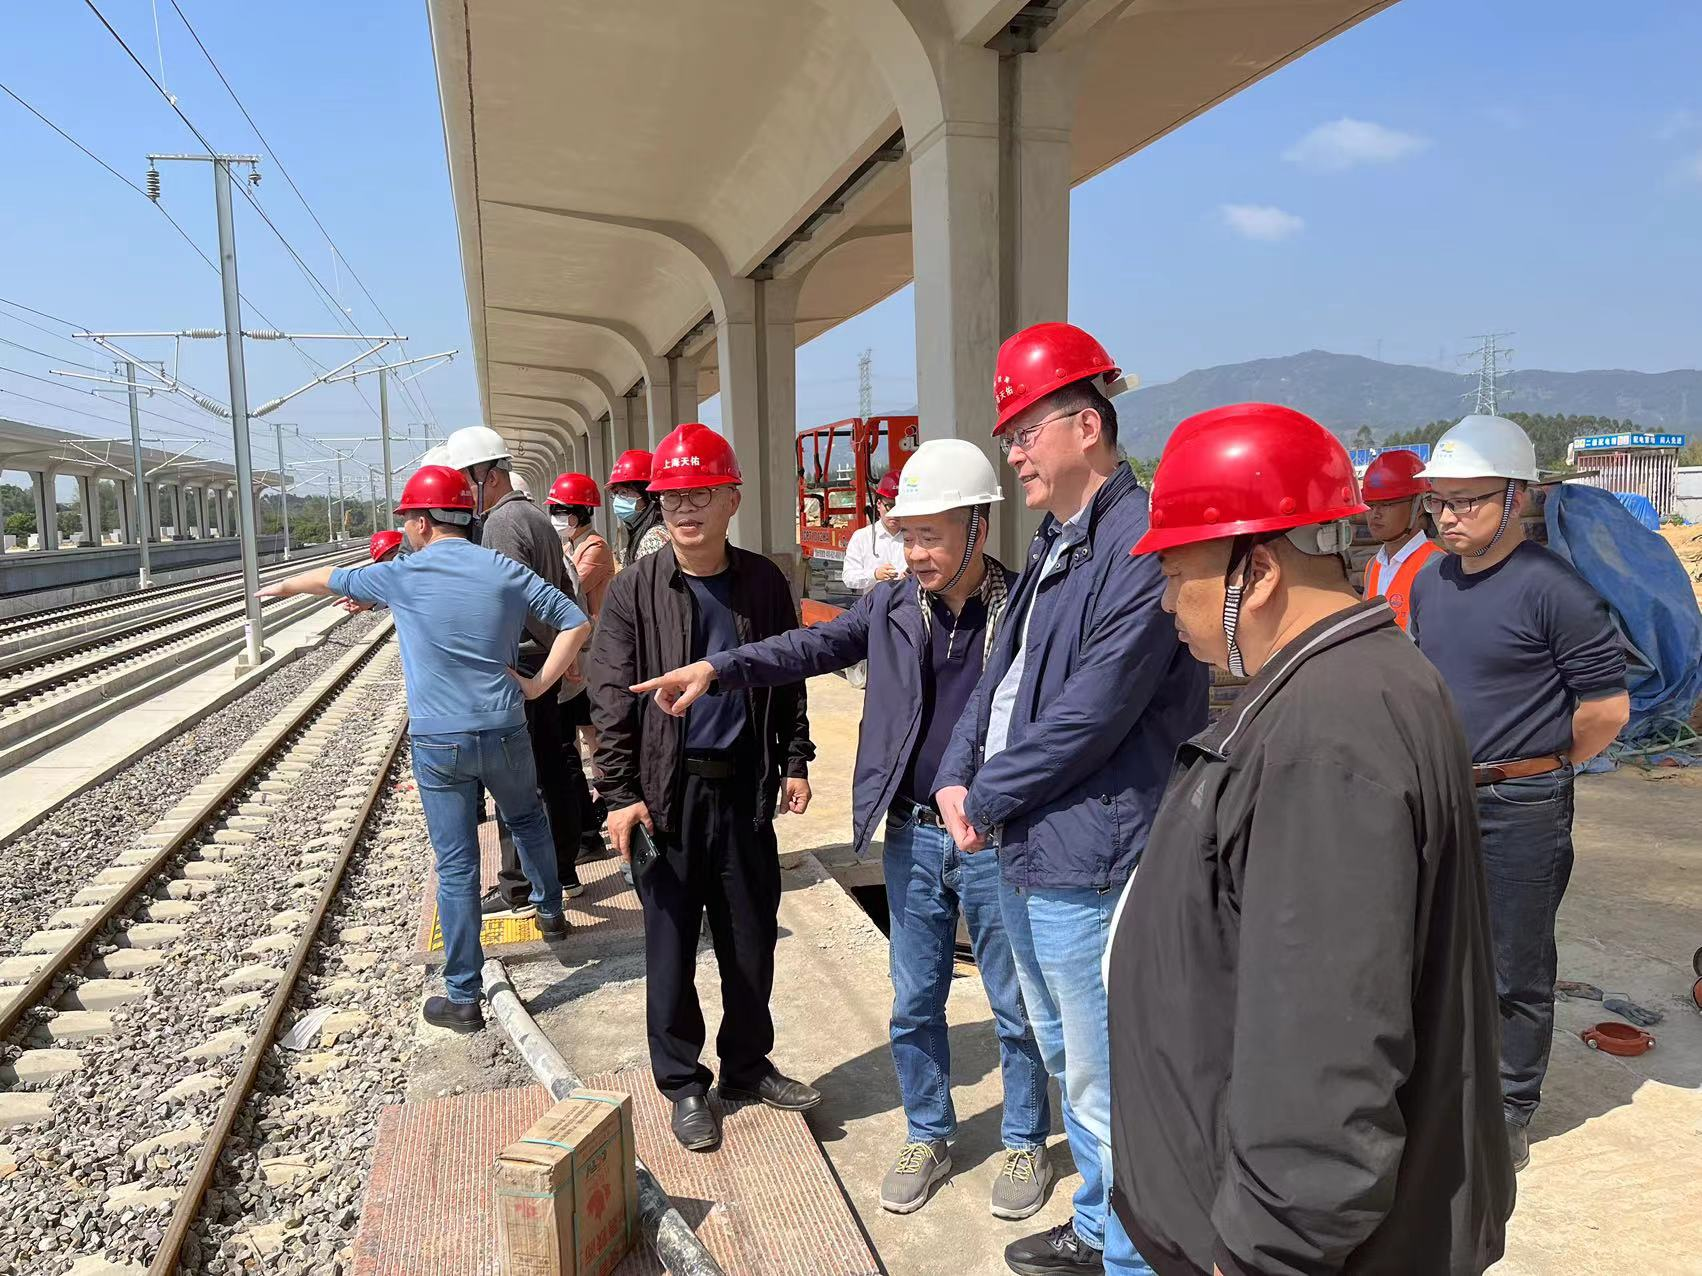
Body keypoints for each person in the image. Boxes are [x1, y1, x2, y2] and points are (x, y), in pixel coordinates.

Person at [1106, 403, 1514, 1276]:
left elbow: (1327, 1050)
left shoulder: (1327, 734)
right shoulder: (1348, 683)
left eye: (1174, 575)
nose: (1167, 605)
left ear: (1254, 572)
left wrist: (1268, 1250)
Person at [632, 438, 1052, 1219]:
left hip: (998, 839)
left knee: (1014, 1000)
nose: (916, 553)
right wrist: (720, 669)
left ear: (979, 527)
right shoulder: (892, 607)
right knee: (914, 999)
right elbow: (810, 647)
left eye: (931, 536)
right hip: (913, 833)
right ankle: (928, 1133)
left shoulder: (1027, 611)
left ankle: (1026, 1140)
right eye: (906, 536)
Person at [933, 322, 1208, 1276]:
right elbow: (999, 681)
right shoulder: (1058, 540)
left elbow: (1093, 712)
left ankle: (1133, 1256)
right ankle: (1098, 1228)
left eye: (1023, 434)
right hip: (1031, 843)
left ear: (1086, 426)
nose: (1013, 455)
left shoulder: (1138, 545)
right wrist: (957, 771)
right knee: (1063, 1053)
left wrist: (983, 796)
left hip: (1092, 854)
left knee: (1104, 1075)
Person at [259, 465, 590, 1032]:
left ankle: (462, 997)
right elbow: (575, 620)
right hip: (504, 726)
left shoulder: (400, 575)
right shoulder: (503, 568)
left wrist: (284, 586)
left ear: (420, 522)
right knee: (527, 818)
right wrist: (538, 685)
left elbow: (331, 580)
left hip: (440, 740)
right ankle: (551, 910)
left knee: (457, 864)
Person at [588, 423, 818, 1153]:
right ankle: (684, 1084)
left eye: (701, 494)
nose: (685, 510)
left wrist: (795, 758)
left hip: (744, 790)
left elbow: (789, 673)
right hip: (667, 796)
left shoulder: (763, 583)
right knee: (671, 947)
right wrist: (619, 793)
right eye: (673, 498)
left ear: (732, 499)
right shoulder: (635, 589)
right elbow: (610, 695)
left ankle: (746, 1068)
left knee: (751, 940)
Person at [1410, 413, 1630, 1171]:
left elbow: (1607, 709)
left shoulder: (1555, 590)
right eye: (1438, 501)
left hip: (1523, 806)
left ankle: (1508, 1106)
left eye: (1467, 500)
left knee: (1515, 963)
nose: (1448, 516)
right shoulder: (1431, 582)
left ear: (1518, 497)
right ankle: (1449, 1086)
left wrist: (1544, 764)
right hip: (1446, 793)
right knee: (1439, 949)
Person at [445, 425, 588, 910]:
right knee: (552, 764)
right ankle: (563, 868)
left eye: (465, 478)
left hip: (520, 662)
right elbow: (561, 590)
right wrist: (565, 654)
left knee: (515, 779)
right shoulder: (534, 516)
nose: (462, 490)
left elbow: (505, 599)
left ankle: (520, 885)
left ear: (488, 474)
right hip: (543, 656)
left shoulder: (501, 524)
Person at [548, 471, 617, 862]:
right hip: (583, 646)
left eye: (560, 512)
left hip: (592, 648)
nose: (556, 518)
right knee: (584, 729)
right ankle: (598, 794)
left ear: (575, 514)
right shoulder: (573, 545)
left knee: (594, 729)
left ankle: (607, 792)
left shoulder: (594, 548)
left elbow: (569, 587)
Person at [1359, 447, 1441, 631]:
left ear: (1418, 507)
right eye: (1370, 504)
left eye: (1386, 504)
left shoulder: (1437, 567)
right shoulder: (1374, 565)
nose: (1375, 513)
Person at [842, 469, 908, 592]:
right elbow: (849, 577)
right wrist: (875, 574)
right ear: (878, 504)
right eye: (890, 506)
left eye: (899, 507)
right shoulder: (862, 537)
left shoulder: (916, 537)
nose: (895, 513)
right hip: (875, 603)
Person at [608, 448, 667, 565]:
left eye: (624, 492)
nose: (618, 500)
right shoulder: (642, 533)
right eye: (616, 494)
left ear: (649, 495)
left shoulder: (653, 540)